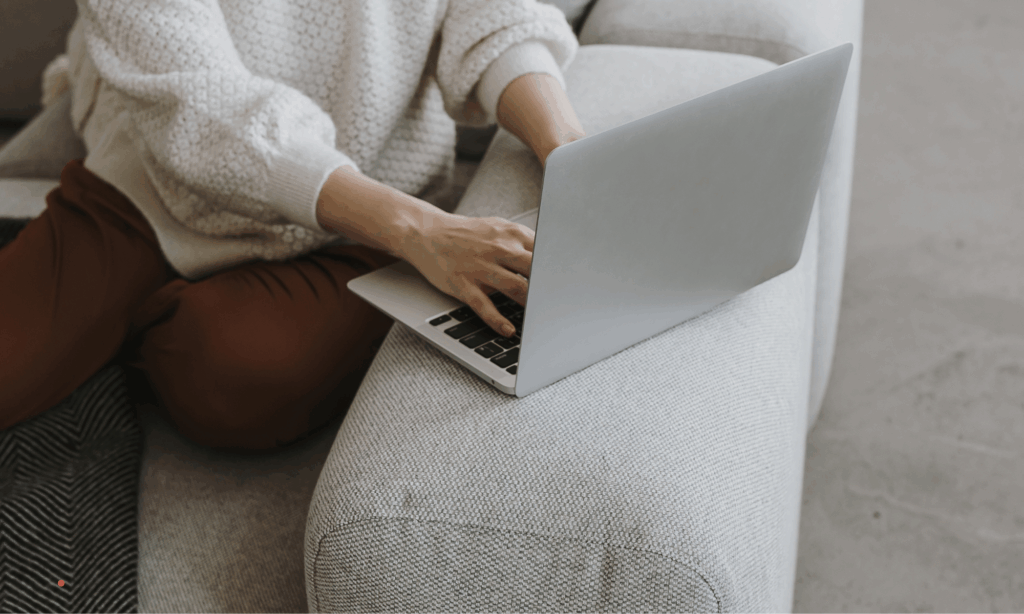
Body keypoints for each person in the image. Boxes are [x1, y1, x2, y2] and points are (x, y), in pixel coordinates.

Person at [0, 0, 587, 450]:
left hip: (362, 216)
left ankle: (142, 322)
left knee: (229, 378)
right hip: (151, 191)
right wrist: (421, 232)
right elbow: (198, 104)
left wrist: (566, 149)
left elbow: (494, 18)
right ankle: (133, 310)